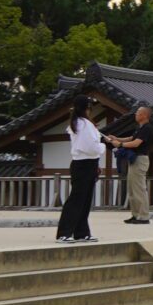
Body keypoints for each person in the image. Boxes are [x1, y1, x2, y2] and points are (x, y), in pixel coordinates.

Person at [56, 104, 106, 242]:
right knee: (77, 199)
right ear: (86, 109)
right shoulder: (84, 124)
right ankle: (64, 233)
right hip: (84, 164)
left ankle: (81, 232)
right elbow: (91, 147)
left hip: (86, 164)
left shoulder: (79, 123)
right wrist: (102, 146)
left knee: (84, 200)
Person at [107, 105, 153, 225]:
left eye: (138, 112)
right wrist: (116, 138)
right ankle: (135, 214)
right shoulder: (140, 128)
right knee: (132, 188)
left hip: (140, 159)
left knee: (139, 188)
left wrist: (119, 145)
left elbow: (136, 143)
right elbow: (130, 138)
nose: (135, 114)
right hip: (134, 160)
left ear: (144, 115)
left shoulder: (147, 128)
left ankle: (143, 216)